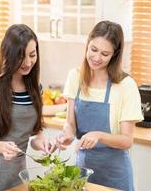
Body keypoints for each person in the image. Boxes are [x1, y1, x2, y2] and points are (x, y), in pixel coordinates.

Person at [0, 24, 55, 191]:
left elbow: (34, 135)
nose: (28, 62)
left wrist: (42, 143)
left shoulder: (36, 89)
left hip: (18, 179)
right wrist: (2, 147)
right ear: (8, 54)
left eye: (32, 55)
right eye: (21, 56)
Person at [58, 21, 143, 191]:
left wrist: (99, 135)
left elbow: (127, 140)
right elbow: (70, 124)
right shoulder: (75, 76)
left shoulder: (126, 85)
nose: (97, 58)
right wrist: (66, 134)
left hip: (115, 176)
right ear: (87, 44)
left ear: (114, 54)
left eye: (105, 54)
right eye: (93, 50)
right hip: (82, 172)